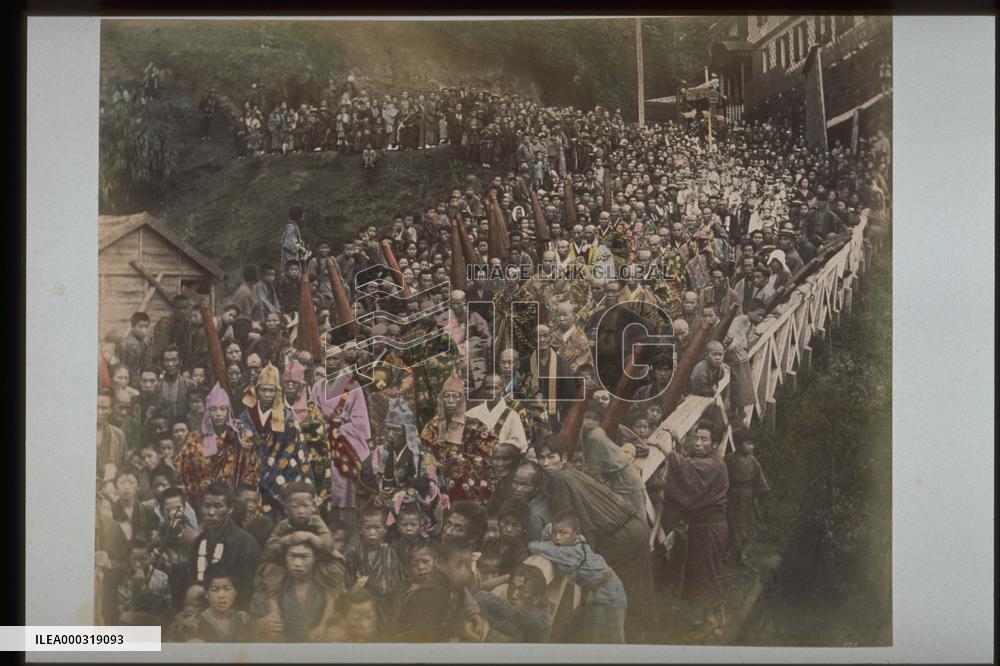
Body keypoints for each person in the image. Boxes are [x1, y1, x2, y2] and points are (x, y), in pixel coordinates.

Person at [533, 435, 655, 643]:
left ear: (563, 458)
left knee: (611, 590)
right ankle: (643, 635)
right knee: (637, 588)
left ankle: (623, 641)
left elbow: (567, 524)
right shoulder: (570, 473)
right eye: (541, 458)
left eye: (550, 457)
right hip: (633, 525)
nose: (545, 463)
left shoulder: (561, 479)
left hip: (621, 536)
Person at [659, 420, 730, 640]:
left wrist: (666, 450)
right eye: (696, 438)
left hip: (709, 528)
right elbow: (690, 464)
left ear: (715, 443)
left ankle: (709, 623)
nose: (698, 443)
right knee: (707, 571)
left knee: (705, 573)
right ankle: (717, 618)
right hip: (706, 527)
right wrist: (678, 440)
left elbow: (688, 470)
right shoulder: (709, 460)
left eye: (704, 439)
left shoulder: (714, 464)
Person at [527, 511, 626, 644]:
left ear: (576, 533)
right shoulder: (577, 540)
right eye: (554, 532)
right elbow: (550, 530)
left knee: (611, 638)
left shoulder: (571, 552)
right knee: (574, 626)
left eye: (563, 533)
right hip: (598, 590)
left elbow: (533, 546)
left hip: (609, 596)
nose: (557, 538)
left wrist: (547, 540)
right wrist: (554, 532)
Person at [238, 363, 314, 518]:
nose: (267, 394)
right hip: (251, 475)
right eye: (263, 390)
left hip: (281, 474)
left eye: (271, 390)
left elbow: (294, 448)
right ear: (257, 390)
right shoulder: (246, 416)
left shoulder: (288, 418)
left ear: (277, 392)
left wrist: (272, 469)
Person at [177, 383, 259, 510]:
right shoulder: (194, 439)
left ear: (228, 411)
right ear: (207, 411)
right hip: (201, 504)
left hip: (233, 503)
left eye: (222, 409)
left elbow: (251, 471)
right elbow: (183, 471)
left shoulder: (239, 439)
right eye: (213, 409)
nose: (218, 414)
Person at [419, 373, 498, 504]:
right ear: (441, 399)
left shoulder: (476, 426)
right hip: (440, 482)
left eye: (455, 397)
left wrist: (462, 461)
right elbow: (423, 456)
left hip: (469, 484)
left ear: (462, 399)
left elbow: (490, 454)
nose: (450, 401)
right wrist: (438, 466)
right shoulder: (432, 427)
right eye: (447, 396)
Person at [189, 482, 261, 611]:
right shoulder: (197, 543)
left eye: (218, 506)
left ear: (230, 508)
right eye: (207, 506)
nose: (211, 512)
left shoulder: (245, 544)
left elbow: (249, 590)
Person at [577, 403, 647, 516]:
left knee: (638, 519)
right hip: (617, 479)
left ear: (599, 423)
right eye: (587, 417)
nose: (590, 422)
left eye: (595, 419)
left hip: (626, 480)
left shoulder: (595, 436)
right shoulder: (583, 434)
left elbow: (594, 469)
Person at [726, 427, 770, 569]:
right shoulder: (729, 459)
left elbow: (759, 479)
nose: (752, 447)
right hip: (732, 497)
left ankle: (744, 553)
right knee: (730, 523)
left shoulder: (753, 461)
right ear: (738, 445)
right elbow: (722, 477)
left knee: (749, 525)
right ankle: (727, 550)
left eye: (752, 443)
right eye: (748, 443)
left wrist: (761, 494)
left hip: (748, 497)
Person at [474, 563, 552, 643]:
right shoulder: (516, 609)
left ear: (536, 598)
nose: (514, 595)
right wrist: (505, 578)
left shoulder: (540, 624)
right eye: (512, 586)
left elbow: (481, 598)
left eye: (524, 591)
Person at [466, 374, 528, 454]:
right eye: (488, 388)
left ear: (502, 390)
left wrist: (498, 447)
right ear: (483, 389)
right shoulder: (471, 413)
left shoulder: (512, 415)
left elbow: (521, 445)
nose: (492, 393)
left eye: (496, 388)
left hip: (501, 462)